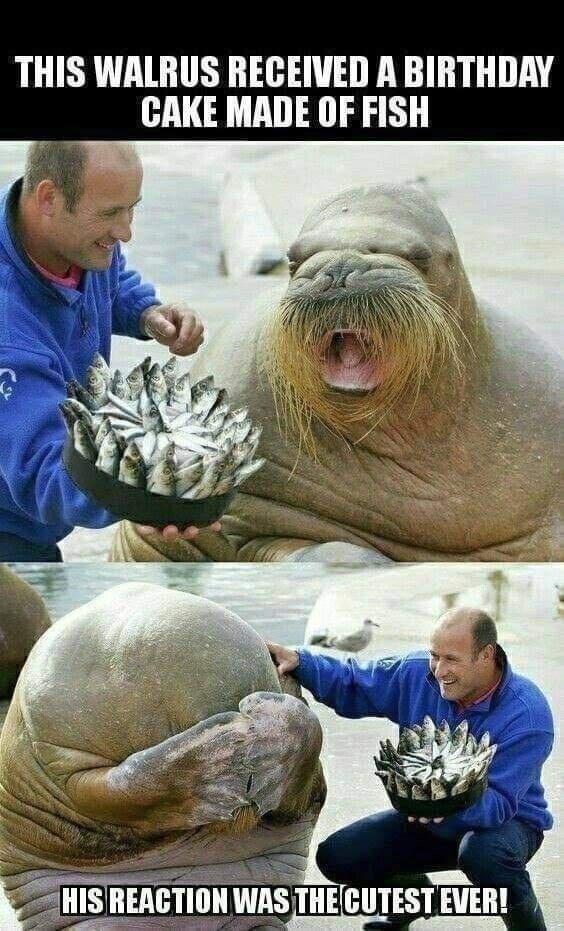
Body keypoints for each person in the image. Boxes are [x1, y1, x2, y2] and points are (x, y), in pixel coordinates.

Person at [267, 608, 553, 931]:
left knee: (481, 855)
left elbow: (499, 804)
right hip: (427, 815)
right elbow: (355, 682)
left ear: (486, 655)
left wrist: (442, 806)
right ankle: (411, 898)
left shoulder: (528, 715)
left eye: (452, 659)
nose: (439, 670)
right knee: (338, 856)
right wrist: (301, 662)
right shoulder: (417, 673)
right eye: (435, 655)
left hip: (507, 825)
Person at [0, 141, 219, 561]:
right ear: (48, 197)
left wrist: (147, 312)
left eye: (131, 208)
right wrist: (151, 493)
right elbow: (47, 473)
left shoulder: (76, 241)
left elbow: (111, 278)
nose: (125, 232)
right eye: (110, 214)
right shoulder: (8, 329)